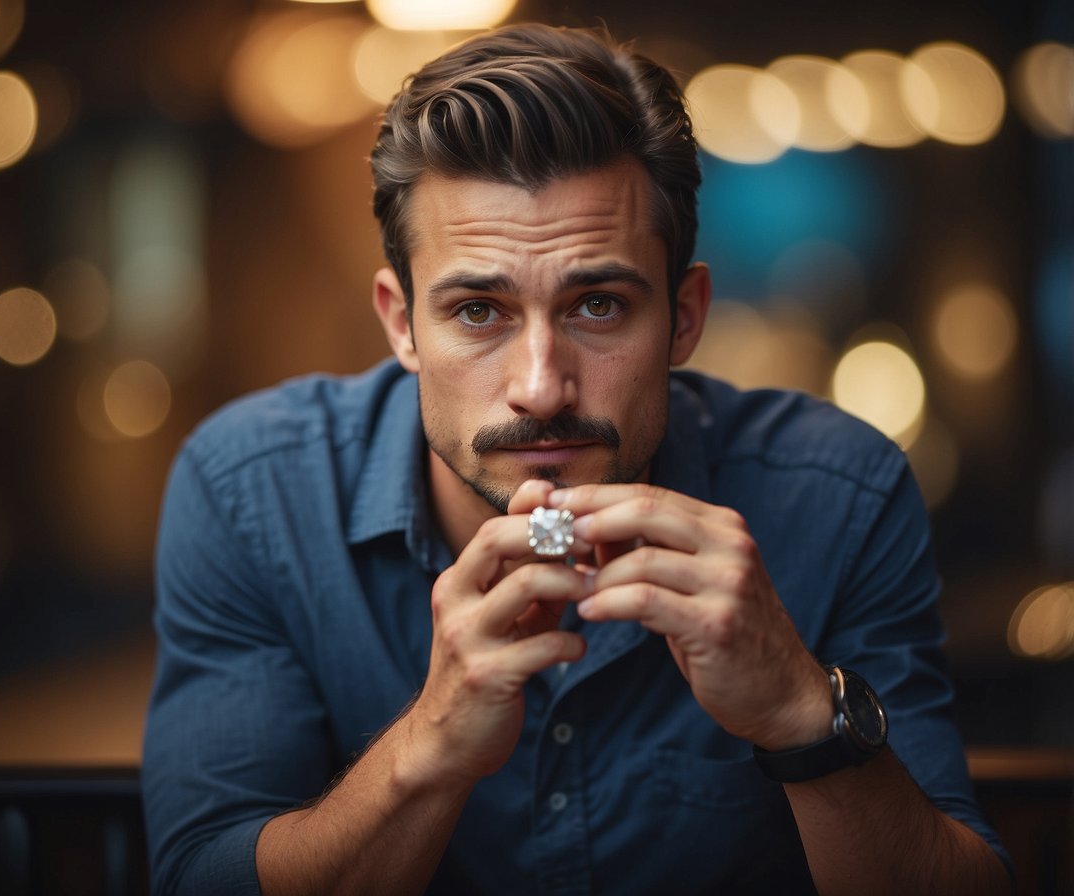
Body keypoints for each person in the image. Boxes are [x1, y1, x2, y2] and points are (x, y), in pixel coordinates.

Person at [142, 22, 1012, 895]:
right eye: (479, 311)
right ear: (401, 323)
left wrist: (797, 711)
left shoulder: (841, 494)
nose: (541, 388)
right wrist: (430, 747)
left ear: (685, 316)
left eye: (597, 305)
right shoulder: (251, 490)